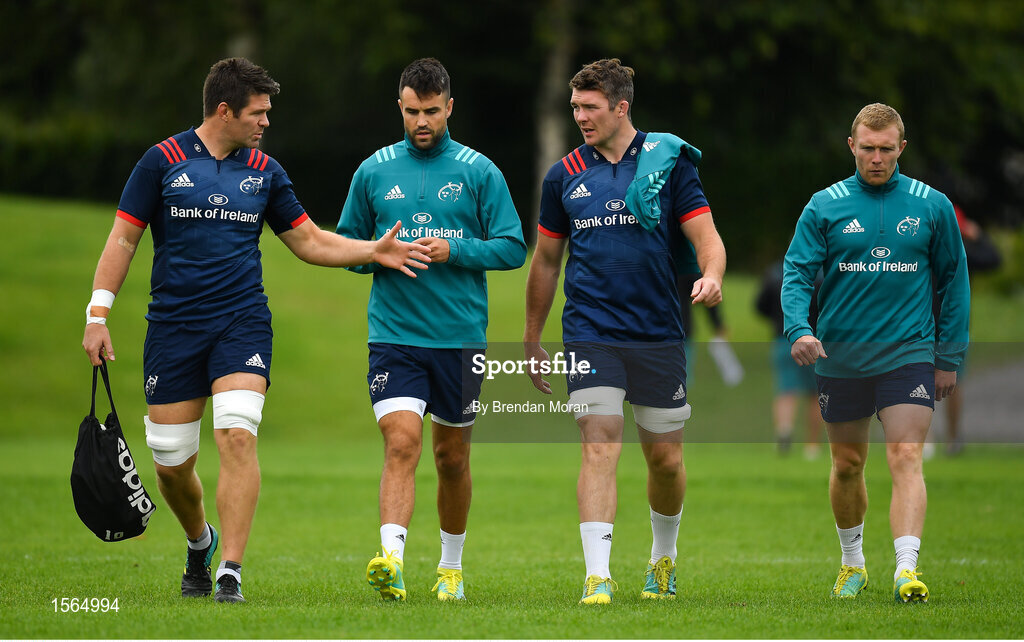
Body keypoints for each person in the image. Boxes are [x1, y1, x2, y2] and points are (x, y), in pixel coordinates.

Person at [81, 57, 429, 604]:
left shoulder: (265, 171)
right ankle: (201, 542)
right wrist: (97, 316)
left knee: (237, 433)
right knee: (171, 465)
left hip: (242, 323)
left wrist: (373, 250)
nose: (266, 122)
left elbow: (310, 241)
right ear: (225, 110)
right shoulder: (161, 162)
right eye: (258, 112)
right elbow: (122, 241)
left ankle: (230, 570)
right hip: (172, 330)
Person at [523, 58, 726, 604]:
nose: (580, 117)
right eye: (575, 108)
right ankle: (597, 576)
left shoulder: (668, 164)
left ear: (621, 107)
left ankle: (663, 559)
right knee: (599, 443)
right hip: (590, 331)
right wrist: (532, 336)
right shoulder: (563, 175)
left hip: (659, 331)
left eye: (590, 108)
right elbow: (545, 261)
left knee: (665, 459)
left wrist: (711, 276)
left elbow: (707, 237)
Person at [336, 57, 526, 602]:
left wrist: (456, 249)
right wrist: (379, 254)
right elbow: (345, 248)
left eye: (433, 112)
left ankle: (450, 567)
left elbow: (513, 246)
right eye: (413, 112)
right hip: (394, 336)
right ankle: (391, 561)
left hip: (460, 337)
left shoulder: (479, 171)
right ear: (400, 106)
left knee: (451, 458)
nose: (423, 122)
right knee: (402, 443)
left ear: (450, 108)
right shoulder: (373, 171)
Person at [782, 103, 969, 603]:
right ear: (852, 146)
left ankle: (906, 570)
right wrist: (799, 328)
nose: (877, 158)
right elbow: (797, 272)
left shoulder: (933, 206)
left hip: (909, 353)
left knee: (906, 455)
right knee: (847, 464)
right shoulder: (824, 206)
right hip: (840, 358)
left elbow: (955, 282)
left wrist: (947, 357)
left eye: (887, 149)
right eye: (868, 148)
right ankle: (852, 563)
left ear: (901, 148)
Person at [755, 260, 823, 458]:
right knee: (815, 393)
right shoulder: (824, 275)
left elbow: (760, 307)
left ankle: (784, 431)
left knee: (786, 389)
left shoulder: (776, 273)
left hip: (783, 338)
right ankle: (812, 446)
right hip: (816, 339)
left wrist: (779, 320)